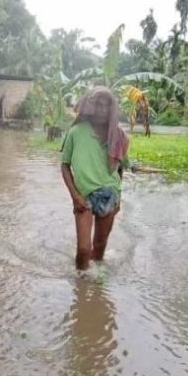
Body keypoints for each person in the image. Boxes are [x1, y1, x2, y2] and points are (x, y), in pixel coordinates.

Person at [60, 86, 130, 271]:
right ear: (89, 106)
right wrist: (75, 196)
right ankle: (81, 286)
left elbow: (120, 169)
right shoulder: (76, 132)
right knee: (83, 249)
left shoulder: (119, 136)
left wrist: (118, 197)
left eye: (107, 106)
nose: (102, 110)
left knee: (99, 248)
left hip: (110, 194)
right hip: (83, 196)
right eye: (98, 105)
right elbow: (65, 165)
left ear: (112, 109)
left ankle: (95, 286)